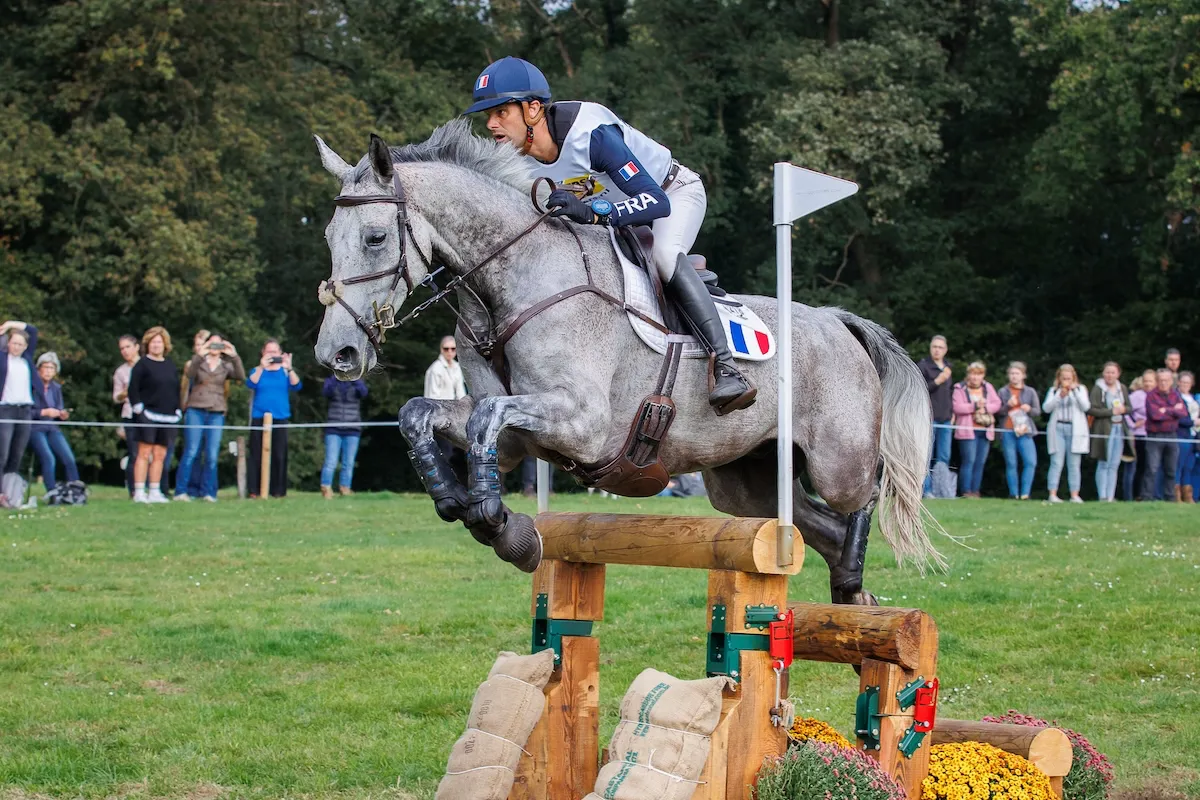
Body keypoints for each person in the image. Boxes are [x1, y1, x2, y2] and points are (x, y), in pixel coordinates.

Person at [466, 56, 756, 414]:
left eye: (500, 113)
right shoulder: (516, 160)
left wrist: (594, 212)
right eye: (487, 116)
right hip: (618, 219)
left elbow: (656, 203)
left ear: (533, 109)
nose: (491, 124)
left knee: (665, 256)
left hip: (673, 193)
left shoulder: (591, 134)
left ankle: (726, 365)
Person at [174, 333, 245, 502]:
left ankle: (209, 492)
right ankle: (181, 491)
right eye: (211, 344)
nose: (214, 348)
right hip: (196, 409)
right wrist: (200, 354)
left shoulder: (226, 366)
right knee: (191, 451)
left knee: (212, 454)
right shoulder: (199, 363)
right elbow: (189, 374)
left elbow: (241, 376)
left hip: (216, 411)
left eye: (218, 344)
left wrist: (234, 356)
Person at [128, 327, 181, 503]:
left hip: (167, 416)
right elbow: (133, 388)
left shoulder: (170, 365)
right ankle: (139, 491)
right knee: (144, 453)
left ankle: (154, 490)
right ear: (148, 344)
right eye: (153, 342)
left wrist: (178, 409)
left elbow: (176, 389)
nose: (156, 345)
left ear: (164, 345)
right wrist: (138, 409)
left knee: (160, 455)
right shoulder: (142, 364)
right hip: (147, 414)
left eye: (159, 342)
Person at [246, 339, 301, 498]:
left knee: (279, 454)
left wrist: (289, 368)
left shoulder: (284, 371)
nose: (272, 354)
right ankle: (254, 490)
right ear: (263, 353)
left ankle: (278, 491)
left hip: (280, 417)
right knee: (256, 455)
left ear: (280, 353)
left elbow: (297, 386)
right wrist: (262, 367)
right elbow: (250, 383)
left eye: (275, 351)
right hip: (259, 417)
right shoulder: (257, 370)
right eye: (268, 351)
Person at [30, 352, 80, 493]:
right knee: (49, 458)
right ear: (39, 369)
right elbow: (25, 412)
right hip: (35, 428)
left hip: (52, 427)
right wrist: (43, 412)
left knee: (69, 458)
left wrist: (62, 414)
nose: (48, 371)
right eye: (45, 367)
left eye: (52, 368)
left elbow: (58, 408)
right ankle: (51, 493)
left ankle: (75, 491)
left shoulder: (56, 388)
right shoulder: (31, 386)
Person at [0, 321, 38, 506]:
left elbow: (32, 330)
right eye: (14, 343)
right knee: (2, 454)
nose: (17, 347)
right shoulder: (2, 358)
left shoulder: (27, 359)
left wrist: (10, 324)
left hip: (24, 411)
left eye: (21, 344)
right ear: (8, 343)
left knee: (17, 454)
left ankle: (9, 493)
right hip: (6, 410)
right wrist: (5, 331)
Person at [950, 362, 1001, 498]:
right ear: (968, 374)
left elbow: (997, 403)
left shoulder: (988, 387)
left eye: (978, 374)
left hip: (984, 431)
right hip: (967, 431)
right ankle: (966, 491)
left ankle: (975, 491)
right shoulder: (959, 388)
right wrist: (974, 406)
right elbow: (957, 407)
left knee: (980, 462)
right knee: (969, 461)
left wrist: (985, 408)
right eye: (973, 373)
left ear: (982, 375)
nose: (975, 377)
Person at [1043, 364, 1090, 503]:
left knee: (1074, 463)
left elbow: (1085, 406)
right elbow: (1046, 408)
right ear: (1059, 378)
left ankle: (1074, 495)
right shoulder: (1053, 391)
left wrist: (1074, 392)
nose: (1066, 381)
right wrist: (1059, 395)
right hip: (1058, 427)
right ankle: (1052, 494)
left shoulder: (1081, 389)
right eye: (1064, 378)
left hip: (1075, 429)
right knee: (1056, 462)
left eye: (1069, 378)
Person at [996, 362, 1041, 500]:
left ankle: (1025, 494)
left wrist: (1029, 409)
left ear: (1023, 375)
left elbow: (1037, 411)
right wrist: (1007, 406)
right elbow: (997, 412)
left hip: (1025, 431)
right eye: (1012, 373)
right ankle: (1013, 493)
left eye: (1017, 373)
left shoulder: (1030, 392)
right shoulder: (1003, 391)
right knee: (1011, 463)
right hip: (1008, 430)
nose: (1014, 376)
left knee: (1030, 462)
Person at [1089, 362, 1133, 502]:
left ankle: (1110, 496)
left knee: (1114, 464)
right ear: (1103, 373)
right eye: (1107, 372)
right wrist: (1110, 412)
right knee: (1103, 462)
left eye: (1113, 372)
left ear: (1118, 374)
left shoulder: (1122, 388)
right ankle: (1102, 495)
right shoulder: (1098, 388)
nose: (1110, 375)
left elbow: (1129, 407)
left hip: (1119, 428)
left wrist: (1123, 409)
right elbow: (1092, 409)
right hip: (1104, 429)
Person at [1142, 367, 1187, 502]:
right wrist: (1173, 410)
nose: (1164, 383)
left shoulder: (1176, 395)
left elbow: (1183, 413)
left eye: (1166, 380)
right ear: (1157, 381)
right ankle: (1147, 497)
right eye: (1161, 380)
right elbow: (1155, 415)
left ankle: (1169, 497)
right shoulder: (1151, 396)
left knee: (1171, 469)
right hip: (1155, 436)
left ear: (1171, 381)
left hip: (1172, 435)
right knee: (1151, 469)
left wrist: (1165, 410)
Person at [177, 329, 212, 498]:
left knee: (209, 452)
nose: (199, 348)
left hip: (212, 410)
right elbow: (185, 388)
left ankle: (205, 489)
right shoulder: (190, 365)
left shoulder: (217, 366)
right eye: (197, 345)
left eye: (202, 345)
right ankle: (188, 489)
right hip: (193, 409)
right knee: (192, 451)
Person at [917, 335, 954, 497]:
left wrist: (952, 414)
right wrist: (937, 381)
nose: (937, 350)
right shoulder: (924, 366)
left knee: (944, 457)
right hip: (928, 419)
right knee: (927, 457)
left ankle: (943, 491)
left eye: (940, 347)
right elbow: (919, 389)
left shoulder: (948, 368)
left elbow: (949, 394)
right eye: (934, 347)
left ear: (945, 350)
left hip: (946, 420)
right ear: (930, 348)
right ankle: (927, 490)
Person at [424, 336, 468, 470]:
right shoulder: (435, 369)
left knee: (462, 452)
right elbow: (431, 397)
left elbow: (461, 393)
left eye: (453, 349)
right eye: (446, 349)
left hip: (455, 417)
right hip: (440, 417)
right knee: (445, 453)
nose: (450, 352)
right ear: (441, 350)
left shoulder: (457, 367)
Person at [320, 374, 367, 498]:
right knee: (331, 461)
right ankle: (326, 487)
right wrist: (336, 377)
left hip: (352, 428)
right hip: (333, 427)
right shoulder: (331, 381)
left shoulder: (357, 382)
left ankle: (345, 488)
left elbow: (363, 393)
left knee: (349, 462)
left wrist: (354, 377)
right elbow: (326, 392)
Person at [113, 334, 141, 496]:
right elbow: (116, 398)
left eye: (127, 347)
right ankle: (134, 490)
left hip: (149, 414)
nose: (124, 351)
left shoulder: (147, 365)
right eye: (122, 349)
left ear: (136, 347)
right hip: (129, 414)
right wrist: (126, 392)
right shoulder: (120, 372)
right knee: (134, 452)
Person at [1126, 369, 1156, 500]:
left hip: (1154, 435)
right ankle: (1137, 495)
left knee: (1152, 467)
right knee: (1141, 466)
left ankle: (1150, 494)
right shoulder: (1136, 396)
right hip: (1140, 435)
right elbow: (1124, 411)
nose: (1148, 384)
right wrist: (1133, 424)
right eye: (1145, 381)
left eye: (1150, 381)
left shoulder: (1158, 395)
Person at [1175, 371, 1198, 503]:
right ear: (1178, 382)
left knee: (1189, 466)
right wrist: (1193, 422)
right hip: (1181, 434)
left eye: (1188, 382)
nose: (1185, 384)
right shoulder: (1175, 397)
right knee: (1179, 465)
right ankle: (1176, 496)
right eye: (1183, 382)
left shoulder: (1193, 398)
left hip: (1193, 435)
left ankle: (1188, 496)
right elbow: (1178, 418)